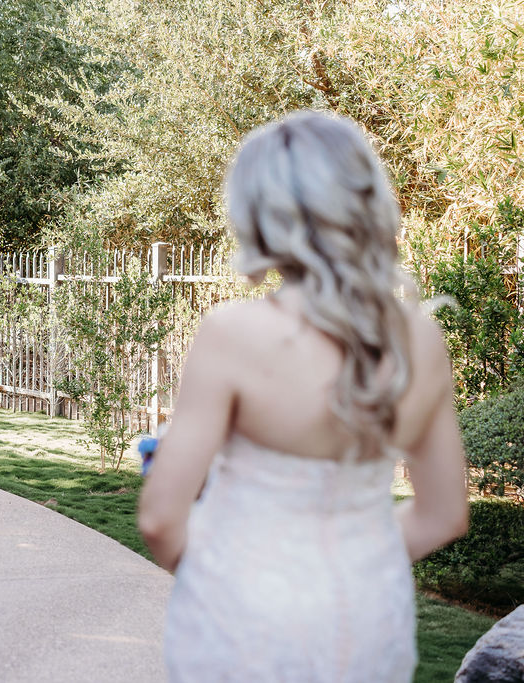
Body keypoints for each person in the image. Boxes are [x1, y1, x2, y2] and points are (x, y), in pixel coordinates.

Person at [137, 110, 468, 681]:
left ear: (260, 217)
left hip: (244, 627)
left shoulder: (233, 333)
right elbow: (443, 516)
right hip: (370, 621)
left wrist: (227, 578)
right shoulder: (423, 340)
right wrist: (354, 558)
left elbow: (161, 520)